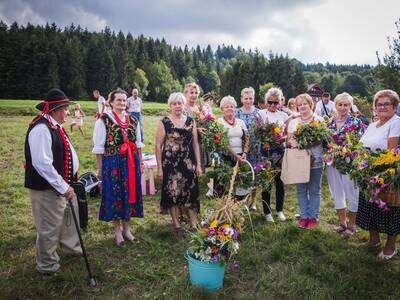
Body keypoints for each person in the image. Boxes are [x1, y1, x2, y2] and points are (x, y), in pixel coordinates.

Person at [24, 88, 81, 274]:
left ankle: (71, 248)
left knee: (68, 218)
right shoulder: (41, 129)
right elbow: (42, 164)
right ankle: (47, 265)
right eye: (65, 108)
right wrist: (64, 186)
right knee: (48, 226)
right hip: (46, 189)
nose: (68, 112)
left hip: (62, 184)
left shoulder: (55, 125)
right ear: (55, 109)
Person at [92, 88, 144, 246]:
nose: (122, 103)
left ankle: (127, 229)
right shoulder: (104, 120)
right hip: (112, 163)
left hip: (131, 162)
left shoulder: (133, 120)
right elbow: (99, 147)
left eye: (124, 100)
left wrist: (140, 162)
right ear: (111, 102)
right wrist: (100, 169)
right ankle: (117, 231)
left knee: (129, 193)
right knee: (116, 194)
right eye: (118, 100)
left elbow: (138, 144)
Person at [356, 89, 400, 259]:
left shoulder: (396, 122)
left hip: (388, 174)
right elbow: (361, 146)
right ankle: (374, 240)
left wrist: (377, 170)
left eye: (386, 104)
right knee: (371, 207)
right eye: (379, 104)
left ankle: (390, 246)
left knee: (390, 209)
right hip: (368, 172)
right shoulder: (373, 124)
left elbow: (391, 151)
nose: (382, 107)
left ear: (394, 106)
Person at [155, 92, 202, 240]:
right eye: (174, 103)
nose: (177, 106)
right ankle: (177, 225)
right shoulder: (164, 122)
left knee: (192, 192)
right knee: (173, 194)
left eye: (180, 103)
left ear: (183, 104)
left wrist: (198, 164)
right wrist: (160, 168)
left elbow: (195, 144)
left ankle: (194, 225)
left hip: (188, 163)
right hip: (170, 164)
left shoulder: (191, 121)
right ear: (170, 105)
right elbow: (157, 146)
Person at [326, 93, 366, 235]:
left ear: (350, 106)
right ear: (335, 105)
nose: (343, 108)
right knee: (336, 191)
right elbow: (326, 141)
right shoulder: (330, 122)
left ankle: (352, 225)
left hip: (349, 164)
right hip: (332, 163)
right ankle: (342, 223)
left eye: (346, 105)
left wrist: (349, 152)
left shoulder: (356, 123)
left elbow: (361, 144)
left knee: (351, 192)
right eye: (340, 104)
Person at [287, 93, 325, 229]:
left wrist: (309, 141)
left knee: (314, 190)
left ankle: (313, 217)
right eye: (300, 104)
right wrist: (294, 143)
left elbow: (322, 139)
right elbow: (289, 140)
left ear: (311, 105)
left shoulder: (319, 121)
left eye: (305, 104)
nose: (302, 106)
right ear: (297, 107)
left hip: (316, 160)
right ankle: (304, 216)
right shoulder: (294, 122)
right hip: (299, 161)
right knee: (301, 190)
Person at [259, 87, 288, 222]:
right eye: (270, 102)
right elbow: (258, 132)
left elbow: (287, 134)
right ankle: (267, 212)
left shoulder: (283, 116)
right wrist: (265, 139)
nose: (272, 105)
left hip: (280, 151)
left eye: (275, 102)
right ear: (266, 101)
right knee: (267, 182)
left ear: (280, 102)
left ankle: (280, 210)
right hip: (265, 151)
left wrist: (281, 138)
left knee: (280, 182)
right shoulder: (260, 114)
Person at [216, 96, 250, 197]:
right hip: (226, 157)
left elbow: (247, 138)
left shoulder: (241, 122)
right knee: (226, 185)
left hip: (241, 157)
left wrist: (244, 153)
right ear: (222, 109)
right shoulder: (219, 122)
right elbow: (222, 142)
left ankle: (238, 206)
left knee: (240, 185)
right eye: (226, 107)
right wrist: (236, 155)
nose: (229, 108)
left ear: (235, 108)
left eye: (231, 106)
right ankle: (226, 207)